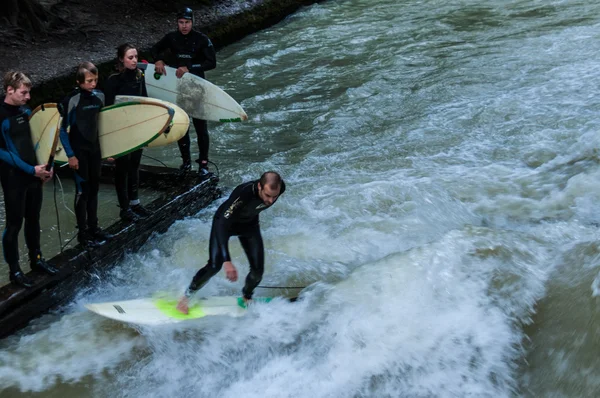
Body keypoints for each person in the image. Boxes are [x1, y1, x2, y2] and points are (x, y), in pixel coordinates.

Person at [176, 171, 286, 314]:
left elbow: (270, 196)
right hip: (224, 225)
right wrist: (227, 261)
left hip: (249, 226)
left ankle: (247, 297)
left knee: (257, 272)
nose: (270, 201)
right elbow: (222, 223)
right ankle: (186, 297)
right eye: (267, 196)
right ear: (259, 186)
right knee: (215, 265)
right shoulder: (244, 194)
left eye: (274, 197)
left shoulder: (280, 187)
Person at [0, 71, 58, 288]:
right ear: (9, 90)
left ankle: (37, 260)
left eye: (29, 92)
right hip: (14, 177)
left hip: (34, 173)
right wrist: (30, 170)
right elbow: (3, 152)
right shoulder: (1, 115)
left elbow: (36, 143)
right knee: (14, 224)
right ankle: (14, 270)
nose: (28, 97)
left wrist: (46, 168)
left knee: (34, 218)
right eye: (24, 93)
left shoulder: (25, 112)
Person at [151, 6, 216, 176]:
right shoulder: (172, 38)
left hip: (198, 88)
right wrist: (158, 60)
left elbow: (211, 62)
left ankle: (203, 164)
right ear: (177, 23)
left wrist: (190, 68)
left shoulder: (202, 39)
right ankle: (186, 162)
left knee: (201, 128)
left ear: (192, 22)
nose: (184, 26)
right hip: (178, 88)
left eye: (187, 22)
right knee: (182, 125)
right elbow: (154, 49)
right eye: (181, 22)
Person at [59, 62, 113, 248]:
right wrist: (70, 155)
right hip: (79, 151)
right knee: (83, 191)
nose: (93, 84)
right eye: (89, 81)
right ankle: (83, 234)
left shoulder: (100, 96)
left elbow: (104, 126)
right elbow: (62, 131)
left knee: (94, 189)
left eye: (95, 80)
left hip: (95, 150)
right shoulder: (72, 100)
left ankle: (94, 228)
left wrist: (110, 151)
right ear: (79, 81)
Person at [104, 43, 152, 223]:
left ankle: (135, 202)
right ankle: (124, 209)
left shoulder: (140, 75)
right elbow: (107, 110)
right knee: (122, 169)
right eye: (130, 58)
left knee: (135, 166)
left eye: (136, 57)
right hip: (120, 130)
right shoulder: (113, 80)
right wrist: (110, 142)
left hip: (136, 128)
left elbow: (145, 101)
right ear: (121, 59)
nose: (134, 61)